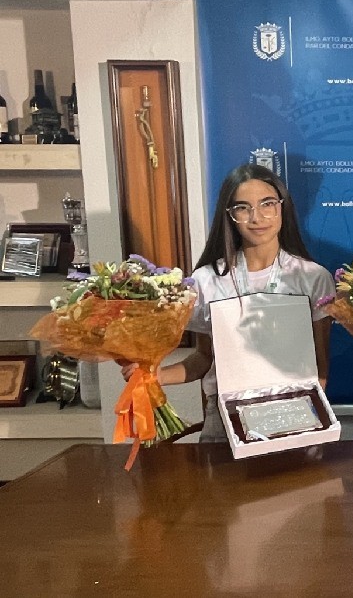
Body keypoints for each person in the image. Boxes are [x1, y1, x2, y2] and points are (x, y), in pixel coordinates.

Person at [121, 164, 335, 442]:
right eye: (243, 208)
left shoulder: (312, 278)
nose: (257, 218)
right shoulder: (206, 280)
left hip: (293, 414)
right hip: (225, 419)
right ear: (230, 215)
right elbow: (203, 359)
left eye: (267, 204)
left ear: (283, 207)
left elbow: (320, 366)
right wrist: (154, 376)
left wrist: (301, 417)